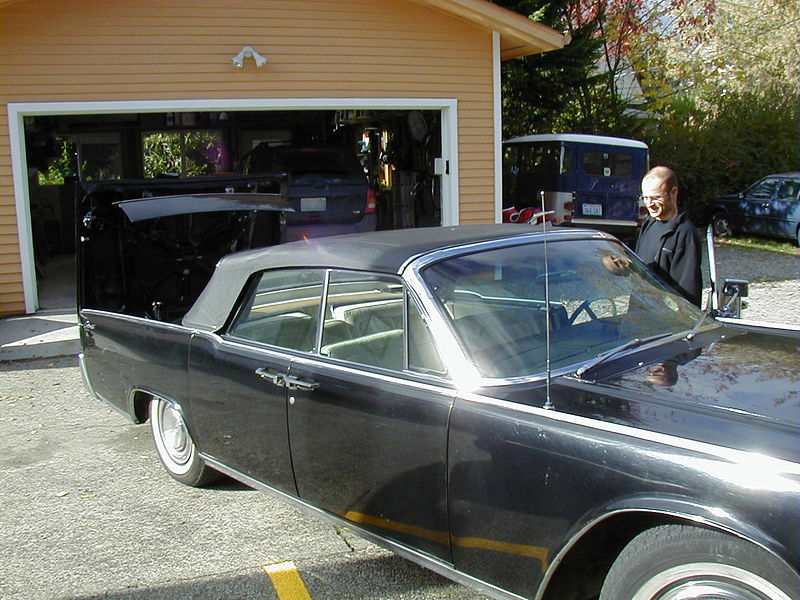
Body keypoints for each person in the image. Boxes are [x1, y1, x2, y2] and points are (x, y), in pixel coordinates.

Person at [636, 166, 703, 307]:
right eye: (646, 198)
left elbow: (688, 292)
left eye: (656, 197)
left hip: (666, 319)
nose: (649, 204)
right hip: (640, 312)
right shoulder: (648, 223)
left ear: (674, 193)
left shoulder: (685, 233)